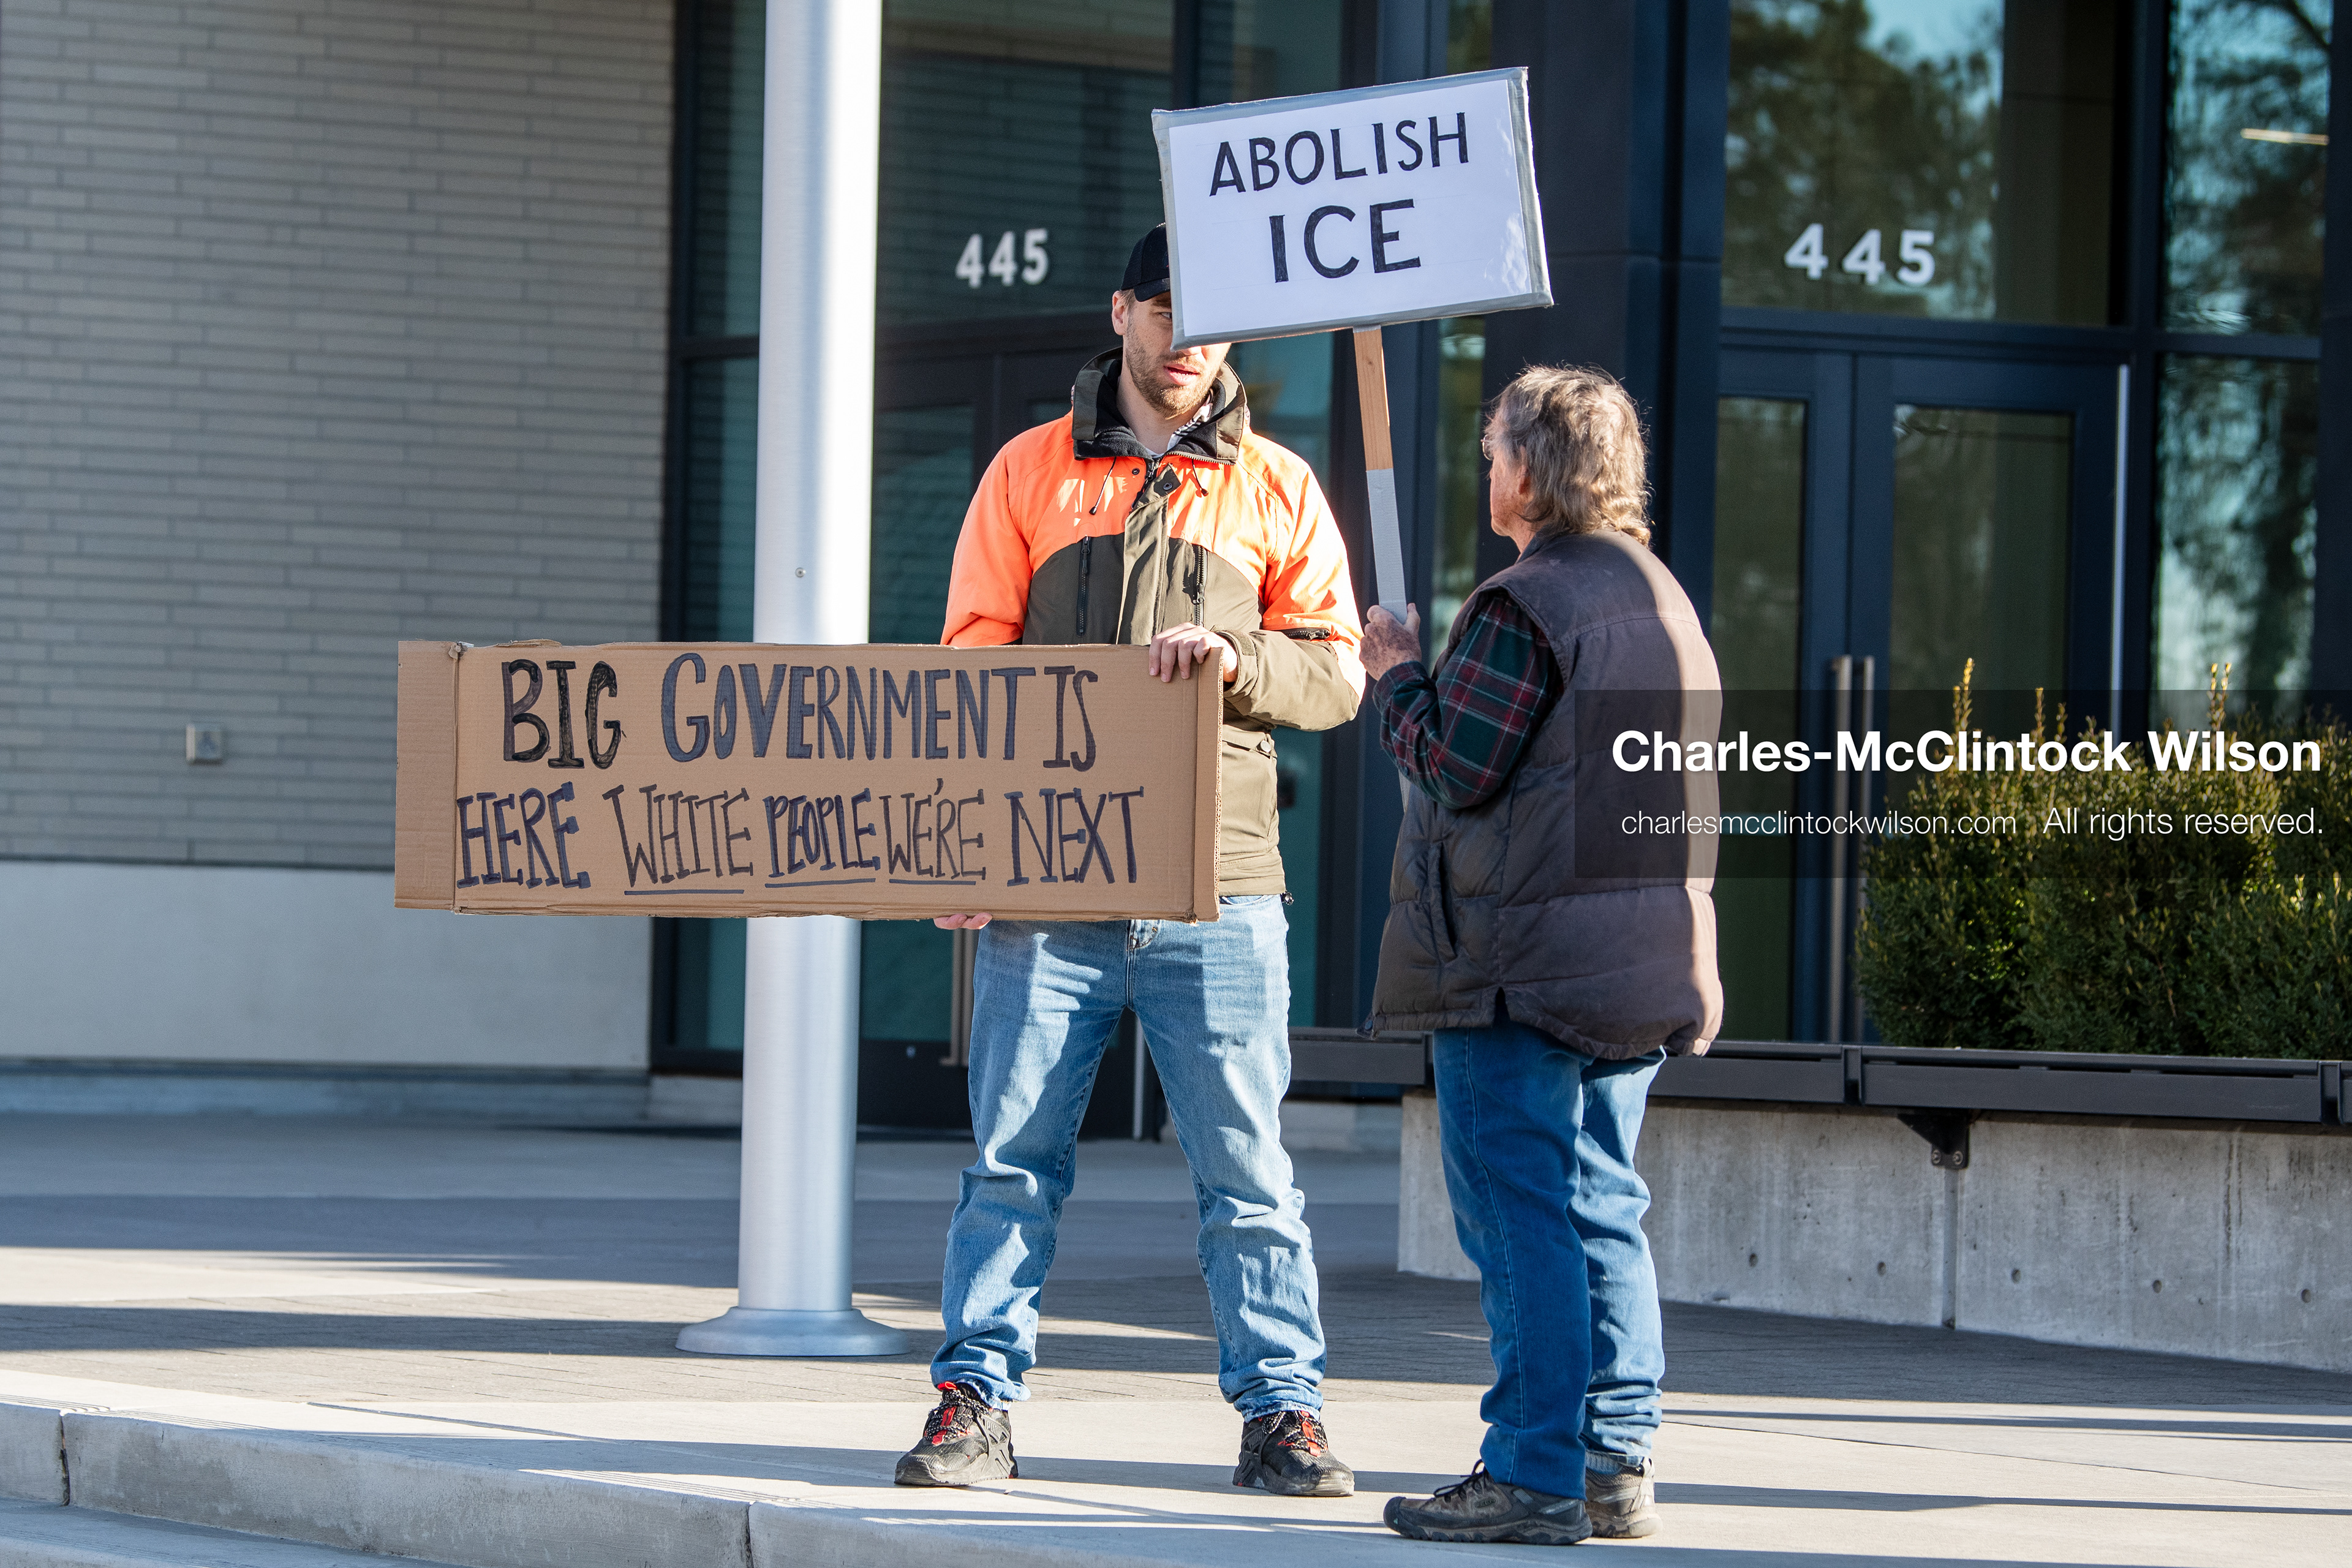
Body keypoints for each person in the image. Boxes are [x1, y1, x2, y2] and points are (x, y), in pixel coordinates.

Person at [892, 225, 1366, 1498]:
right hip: (1047, 884)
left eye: (1214, 317)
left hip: (1220, 885)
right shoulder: (1027, 473)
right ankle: (974, 1401)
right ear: (1123, 312)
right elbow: (967, 671)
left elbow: (1335, 672)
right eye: (1168, 308)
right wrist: (968, 843)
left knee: (1247, 1169)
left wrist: (1240, 659)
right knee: (1010, 1155)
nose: (1191, 337)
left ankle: (1284, 1413)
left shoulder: (1275, 483)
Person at [1358, 365, 1722, 1546]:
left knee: (1520, 1213)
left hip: (1520, 967)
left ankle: (1531, 1467)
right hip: (1636, 960)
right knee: (1603, 1202)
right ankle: (1615, 1458)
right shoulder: (1664, 600)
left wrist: (1397, 676)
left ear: (1538, 468)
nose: (1485, 466)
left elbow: (1459, 765)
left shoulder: (1527, 604)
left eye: (1497, 446)